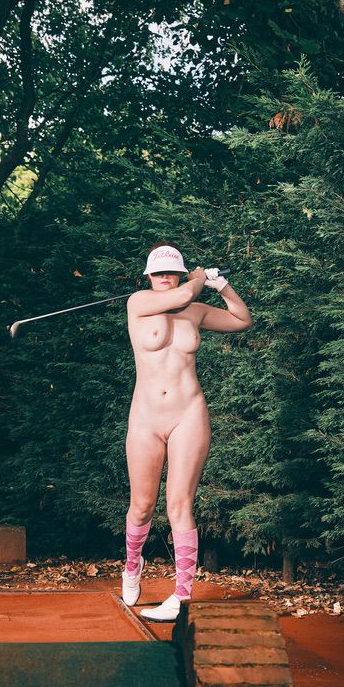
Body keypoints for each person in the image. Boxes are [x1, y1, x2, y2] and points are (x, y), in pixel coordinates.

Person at [121, 242, 252, 621]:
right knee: (142, 505)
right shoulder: (138, 302)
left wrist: (221, 286)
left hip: (188, 414)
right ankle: (132, 567)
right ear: (148, 277)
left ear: (177, 273)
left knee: (180, 504)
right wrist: (197, 279)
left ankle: (181, 596)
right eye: (158, 273)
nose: (164, 278)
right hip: (145, 417)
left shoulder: (194, 311)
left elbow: (242, 320)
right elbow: (182, 293)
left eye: (171, 272)